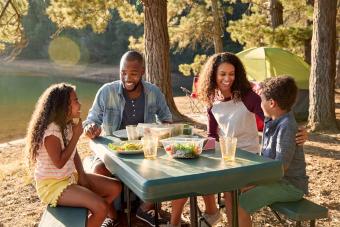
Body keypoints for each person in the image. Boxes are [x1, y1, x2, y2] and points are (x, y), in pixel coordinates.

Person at [169, 52, 308, 227]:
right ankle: (209, 214)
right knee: (194, 175)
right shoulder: (211, 100)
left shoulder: (248, 97)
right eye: (223, 74)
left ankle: (228, 219)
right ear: (213, 75)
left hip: (247, 157)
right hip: (226, 154)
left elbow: (276, 114)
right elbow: (213, 136)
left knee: (231, 192)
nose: (228, 78)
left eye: (231, 74)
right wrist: (196, 146)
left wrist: (301, 130)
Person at [83, 50, 173, 226]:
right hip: (112, 152)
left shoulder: (153, 92)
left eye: (133, 73)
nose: (127, 78)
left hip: (144, 151)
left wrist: (159, 130)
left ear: (142, 72)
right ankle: (112, 217)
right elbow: (91, 120)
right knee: (99, 170)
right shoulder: (106, 91)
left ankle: (144, 210)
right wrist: (90, 128)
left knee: (165, 168)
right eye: (123, 72)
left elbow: (167, 119)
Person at [25, 83, 122, 227]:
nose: (80, 104)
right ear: (63, 106)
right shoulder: (51, 132)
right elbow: (59, 162)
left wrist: (82, 174)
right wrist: (77, 135)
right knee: (101, 207)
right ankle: (97, 215)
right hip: (52, 185)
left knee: (116, 188)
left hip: (69, 177)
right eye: (75, 100)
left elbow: (73, 152)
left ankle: (93, 219)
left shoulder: (67, 124)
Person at [235, 76, 309, 226]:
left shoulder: (286, 126)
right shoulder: (273, 120)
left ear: (271, 103)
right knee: (236, 188)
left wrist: (258, 182)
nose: (259, 104)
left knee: (240, 207)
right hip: (276, 180)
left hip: (289, 186)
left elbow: (282, 166)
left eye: (261, 100)